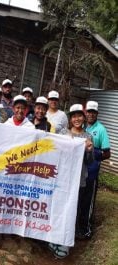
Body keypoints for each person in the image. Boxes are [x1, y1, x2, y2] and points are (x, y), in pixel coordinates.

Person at [49, 104, 94, 258]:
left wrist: (89, 151)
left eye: (79, 116)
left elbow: (89, 161)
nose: (77, 119)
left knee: (73, 211)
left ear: (83, 117)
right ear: (70, 118)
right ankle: (53, 238)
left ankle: (65, 243)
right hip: (61, 179)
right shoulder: (62, 133)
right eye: (74, 116)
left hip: (78, 181)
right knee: (59, 209)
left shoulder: (88, 137)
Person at [82, 100, 111, 239]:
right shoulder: (81, 126)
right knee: (79, 199)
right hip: (80, 171)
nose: (91, 114)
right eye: (89, 112)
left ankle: (86, 230)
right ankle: (77, 227)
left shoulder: (101, 129)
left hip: (91, 173)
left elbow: (107, 153)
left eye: (93, 112)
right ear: (85, 112)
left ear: (97, 113)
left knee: (88, 201)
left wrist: (95, 153)